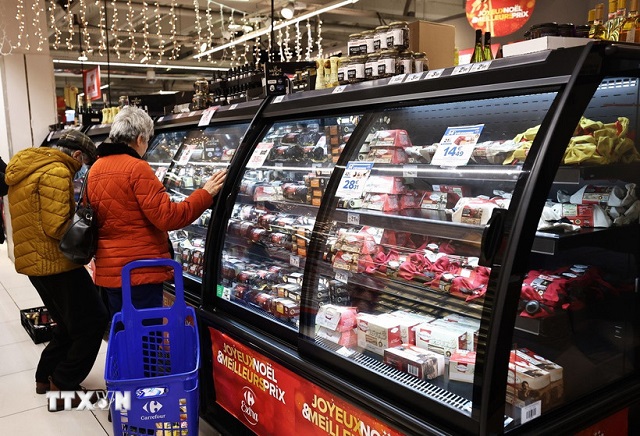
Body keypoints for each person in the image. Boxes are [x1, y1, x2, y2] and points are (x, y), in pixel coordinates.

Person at [4, 130, 108, 411]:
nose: (82, 169)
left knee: (66, 322)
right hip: (56, 263)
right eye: (84, 163)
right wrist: (86, 226)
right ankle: (64, 384)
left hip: (34, 262)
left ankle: (45, 376)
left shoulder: (28, 166)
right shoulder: (57, 171)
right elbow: (57, 226)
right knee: (93, 321)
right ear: (77, 155)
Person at [87, 106, 226, 317]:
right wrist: (205, 194)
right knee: (148, 331)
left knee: (125, 328)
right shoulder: (136, 167)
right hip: (140, 271)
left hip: (110, 270)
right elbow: (168, 217)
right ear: (140, 139)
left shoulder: (95, 168)